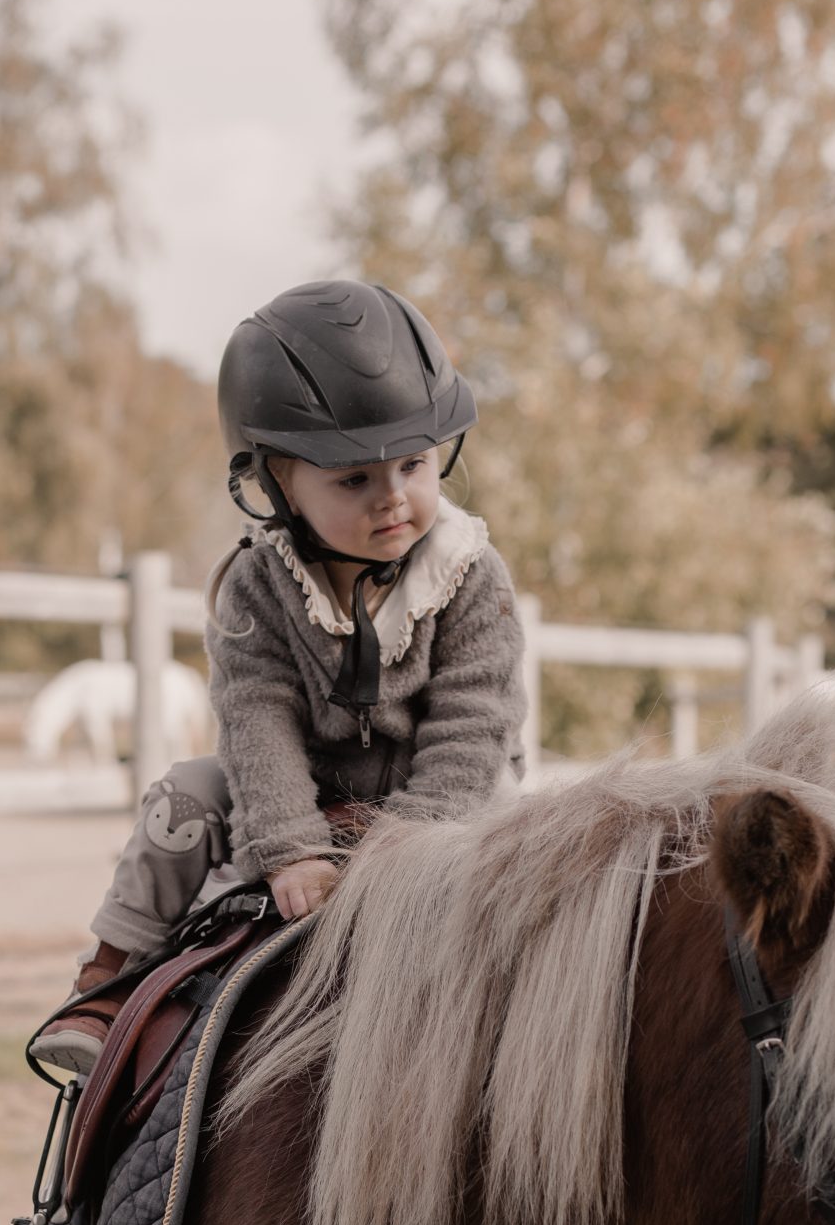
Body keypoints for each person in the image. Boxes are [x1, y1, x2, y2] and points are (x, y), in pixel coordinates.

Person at [33, 277, 528, 1077]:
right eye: (353, 480)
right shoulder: (255, 587)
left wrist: (398, 851)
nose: (395, 498)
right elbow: (254, 717)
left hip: (445, 801)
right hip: (296, 793)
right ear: (276, 484)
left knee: (526, 839)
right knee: (183, 797)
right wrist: (292, 849)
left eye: (414, 463)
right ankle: (109, 981)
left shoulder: (472, 576)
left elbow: (473, 726)